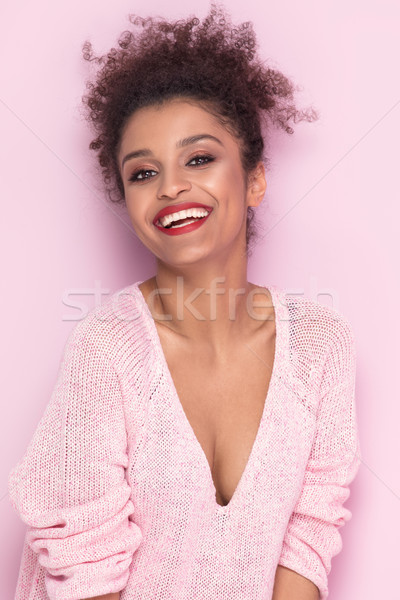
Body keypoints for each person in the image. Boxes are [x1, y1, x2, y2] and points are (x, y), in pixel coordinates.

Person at [7, 5, 361, 600]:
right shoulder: (105, 351)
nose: (171, 185)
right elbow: (86, 573)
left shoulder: (322, 345)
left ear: (253, 179)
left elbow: (309, 534)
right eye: (143, 173)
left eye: (199, 158)